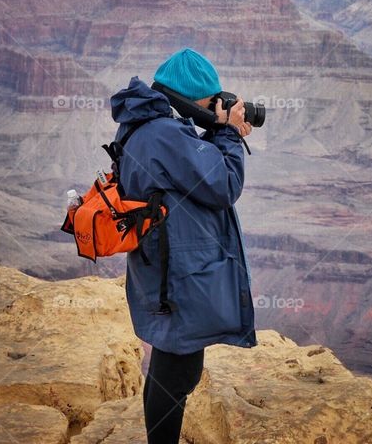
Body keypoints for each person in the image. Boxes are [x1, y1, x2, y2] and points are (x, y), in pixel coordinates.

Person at [109, 48, 257, 444]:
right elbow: (224, 185)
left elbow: (187, 174)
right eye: (211, 104)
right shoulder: (165, 134)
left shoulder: (149, 124)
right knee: (179, 373)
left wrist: (212, 131)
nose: (216, 108)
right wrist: (225, 132)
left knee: (170, 366)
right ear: (192, 100)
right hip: (176, 274)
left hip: (162, 267)